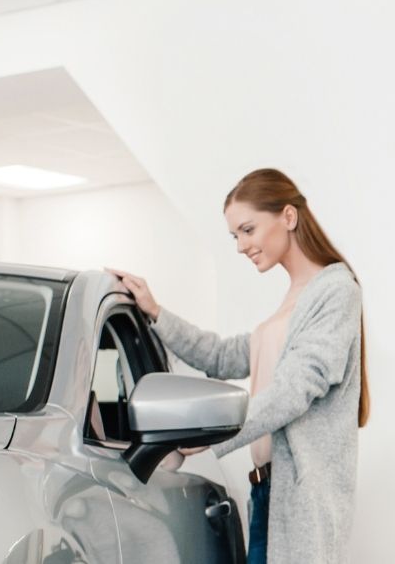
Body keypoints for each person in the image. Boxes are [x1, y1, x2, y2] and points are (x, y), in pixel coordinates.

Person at [109, 168, 369, 564]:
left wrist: (215, 433)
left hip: (299, 496)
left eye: (248, 229)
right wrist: (156, 312)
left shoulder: (335, 291)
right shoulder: (294, 297)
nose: (240, 245)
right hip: (266, 492)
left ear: (288, 216)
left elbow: (294, 389)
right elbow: (222, 356)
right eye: (235, 235)